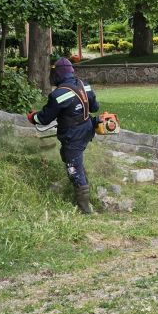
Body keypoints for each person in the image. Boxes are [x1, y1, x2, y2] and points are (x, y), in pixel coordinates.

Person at [27, 57, 99, 214]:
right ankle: (85, 184)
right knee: (72, 159)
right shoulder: (84, 85)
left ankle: (84, 208)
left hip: (73, 134)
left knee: (72, 165)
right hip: (87, 129)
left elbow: (44, 118)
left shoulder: (58, 94)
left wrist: (33, 117)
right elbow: (95, 107)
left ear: (57, 74)